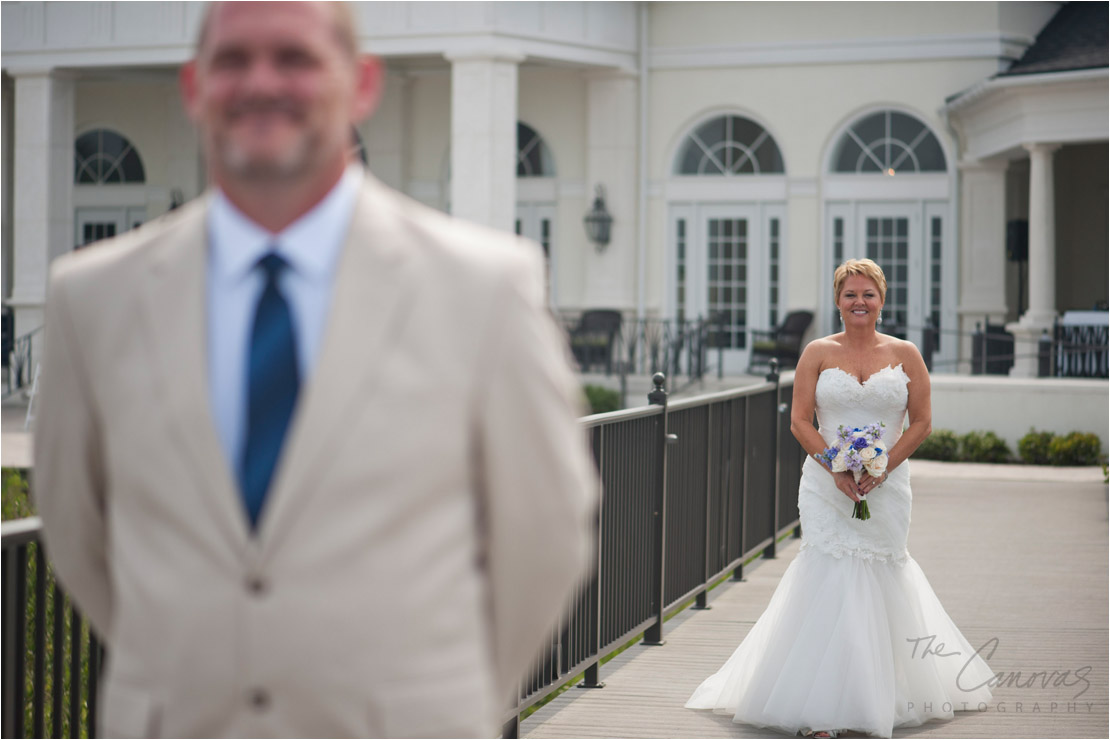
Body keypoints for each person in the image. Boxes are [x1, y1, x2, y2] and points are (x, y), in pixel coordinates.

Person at [33, 3, 597, 737]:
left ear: (361, 85)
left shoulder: (485, 288)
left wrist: (443, 701)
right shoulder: (91, 299)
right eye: (233, 61)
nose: (262, 82)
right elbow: (78, 530)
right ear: (192, 87)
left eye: (295, 59)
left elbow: (543, 532)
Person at [686, 259, 993, 738]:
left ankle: (877, 696)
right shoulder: (816, 352)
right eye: (850, 294)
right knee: (829, 575)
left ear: (882, 300)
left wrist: (882, 466)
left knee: (880, 570)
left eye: (868, 294)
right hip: (826, 485)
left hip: (886, 487)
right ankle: (819, 712)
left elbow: (922, 423)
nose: (859, 302)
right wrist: (835, 466)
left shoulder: (907, 354)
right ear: (837, 300)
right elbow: (800, 421)